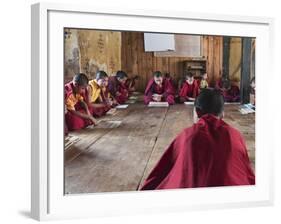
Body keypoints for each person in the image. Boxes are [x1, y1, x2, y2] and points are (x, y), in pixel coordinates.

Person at [140, 88, 255, 190]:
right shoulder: (235, 135)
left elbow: (161, 172)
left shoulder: (187, 135)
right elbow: (246, 172)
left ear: (196, 112)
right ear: (222, 114)